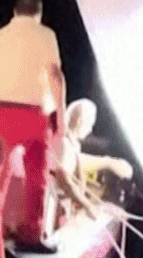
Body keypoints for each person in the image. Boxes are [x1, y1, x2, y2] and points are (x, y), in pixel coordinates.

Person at [0, 0, 65, 245]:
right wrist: (60, 115)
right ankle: (31, 233)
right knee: (36, 176)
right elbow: (55, 75)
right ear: (38, 14)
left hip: (2, 111)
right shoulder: (45, 35)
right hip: (34, 113)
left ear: (14, 12)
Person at [44, 99, 134, 238]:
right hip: (54, 210)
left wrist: (109, 162)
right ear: (78, 121)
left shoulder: (74, 145)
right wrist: (87, 205)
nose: (90, 129)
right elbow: (64, 180)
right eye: (89, 124)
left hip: (62, 209)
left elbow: (79, 162)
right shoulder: (65, 144)